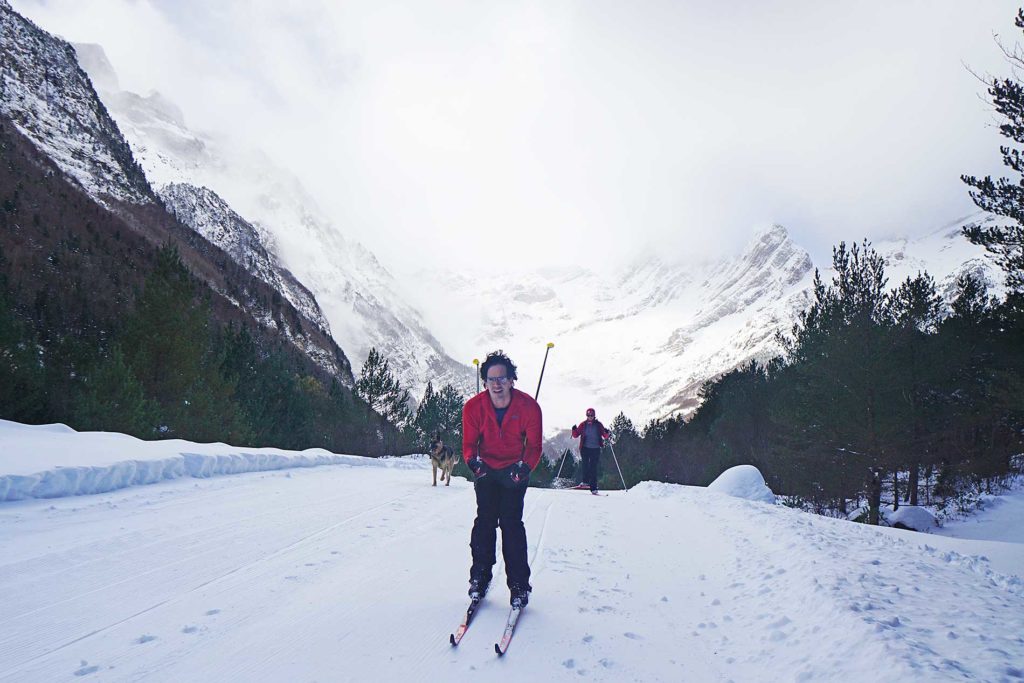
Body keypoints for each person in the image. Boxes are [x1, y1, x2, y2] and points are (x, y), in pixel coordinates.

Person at [462, 350, 543, 609]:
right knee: (485, 522)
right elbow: (468, 444)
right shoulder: (473, 407)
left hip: (513, 470)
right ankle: (479, 577)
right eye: (491, 379)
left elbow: (534, 447)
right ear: (484, 381)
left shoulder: (529, 407)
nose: (497, 384)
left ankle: (519, 584)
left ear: (512, 380)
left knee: (511, 524)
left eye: (502, 378)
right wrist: (474, 463)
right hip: (486, 468)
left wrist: (524, 467)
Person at [571, 408, 610, 494]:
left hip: (595, 449)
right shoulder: (583, 424)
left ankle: (593, 488)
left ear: (594, 415)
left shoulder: (598, 425)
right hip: (585, 448)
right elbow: (576, 435)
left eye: (591, 415)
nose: (590, 417)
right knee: (585, 465)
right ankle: (585, 482)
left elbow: (605, 436)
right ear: (586, 415)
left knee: (593, 467)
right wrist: (574, 430)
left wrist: (607, 433)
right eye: (588, 415)